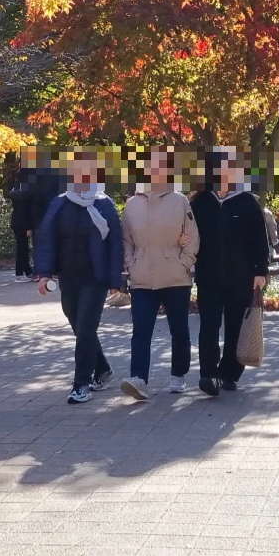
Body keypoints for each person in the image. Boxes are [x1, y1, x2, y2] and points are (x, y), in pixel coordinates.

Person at [33, 151, 125, 404]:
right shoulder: (60, 203)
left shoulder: (104, 204)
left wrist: (116, 281)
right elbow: (47, 239)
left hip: (95, 279)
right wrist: (44, 274)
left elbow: (115, 245)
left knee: (85, 329)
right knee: (80, 328)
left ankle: (81, 385)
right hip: (68, 277)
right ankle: (103, 369)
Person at [189, 149, 270, 396]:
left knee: (235, 327)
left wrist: (260, 270)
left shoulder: (247, 203)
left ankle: (230, 374)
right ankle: (208, 375)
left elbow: (259, 240)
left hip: (241, 277)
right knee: (209, 327)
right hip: (208, 277)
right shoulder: (199, 203)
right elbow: (190, 237)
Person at [122, 145, 199, 399]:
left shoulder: (180, 201)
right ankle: (138, 379)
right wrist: (131, 265)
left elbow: (193, 237)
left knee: (179, 329)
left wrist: (184, 263)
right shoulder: (132, 204)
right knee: (141, 330)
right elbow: (126, 241)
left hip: (175, 277)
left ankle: (178, 375)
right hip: (142, 278)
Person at [10, 175, 37, 280]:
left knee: (22, 247)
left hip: (16, 222)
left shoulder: (16, 191)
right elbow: (25, 212)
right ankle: (20, 272)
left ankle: (27, 270)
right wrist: (28, 227)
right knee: (22, 248)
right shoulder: (25, 193)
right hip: (23, 223)